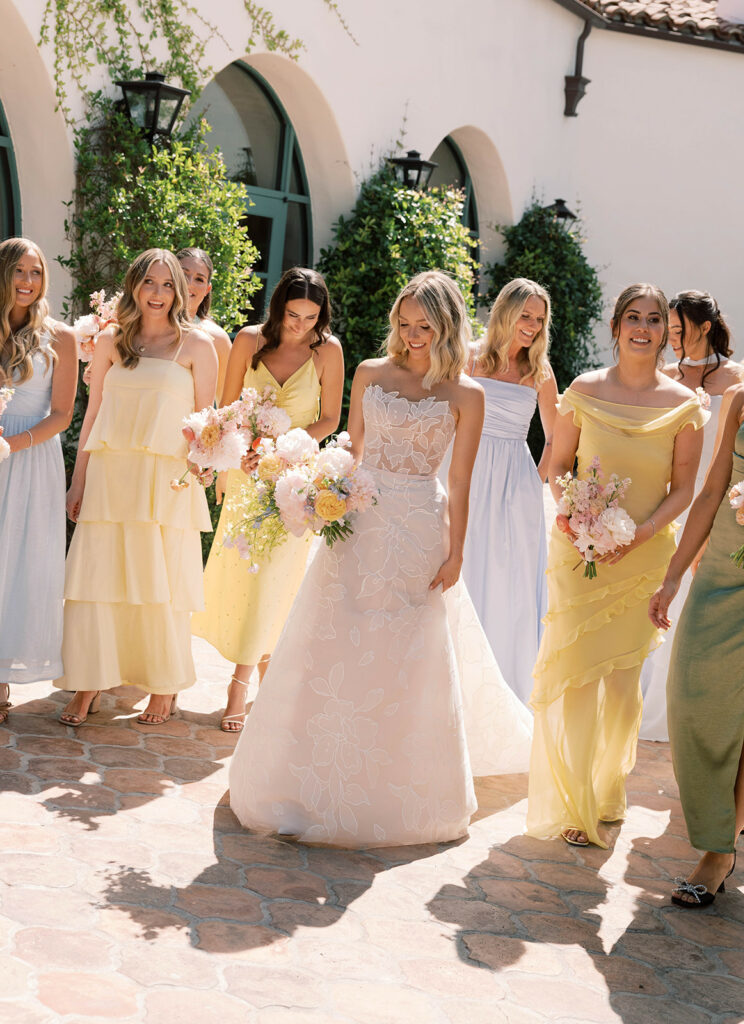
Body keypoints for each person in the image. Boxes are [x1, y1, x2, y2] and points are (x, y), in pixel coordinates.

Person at [229, 270, 534, 847]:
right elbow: (354, 452)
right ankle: (300, 776)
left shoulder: (468, 393)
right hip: (361, 523)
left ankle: (393, 784)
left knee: (404, 653)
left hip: (420, 528)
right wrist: (325, 498)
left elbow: (461, 483)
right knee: (334, 639)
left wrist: (457, 553)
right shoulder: (370, 373)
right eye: (404, 323)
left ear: (446, 327)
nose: (412, 335)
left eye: (424, 326)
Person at [526, 283, 707, 848]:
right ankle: (575, 800)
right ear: (616, 325)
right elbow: (556, 466)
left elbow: (684, 489)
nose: (644, 328)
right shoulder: (582, 389)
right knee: (578, 676)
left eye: (655, 320)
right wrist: (576, 518)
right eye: (634, 316)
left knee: (624, 684)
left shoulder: (684, 404)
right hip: (580, 555)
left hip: (643, 558)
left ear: (666, 332)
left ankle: (606, 791)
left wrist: (644, 534)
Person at [55, 249, 217, 725]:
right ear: (134, 286)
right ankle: (88, 683)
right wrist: (77, 480)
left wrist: (200, 474)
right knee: (98, 579)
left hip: (165, 482)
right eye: (150, 282)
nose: (160, 294)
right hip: (111, 475)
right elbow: (93, 415)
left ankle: (164, 686)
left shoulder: (197, 347)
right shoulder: (109, 341)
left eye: (169, 285)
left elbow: (208, 425)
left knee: (158, 583)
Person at [191, 268, 344, 731]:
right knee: (244, 577)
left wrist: (285, 445)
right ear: (278, 308)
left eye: (311, 317)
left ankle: (239, 685)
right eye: (293, 314)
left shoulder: (328, 351)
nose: (301, 325)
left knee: (276, 580)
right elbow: (227, 406)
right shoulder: (248, 341)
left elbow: (331, 418)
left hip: (292, 481)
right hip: (244, 474)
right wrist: (237, 453)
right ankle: (267, 679)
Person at [650, 381, 744, 906]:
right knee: (690, 693)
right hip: (723, 566)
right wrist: (674, 575)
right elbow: (712, 487)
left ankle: (718, 853)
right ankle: (717, 828)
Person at [640, 291, 741, 740]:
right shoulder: (664, 376)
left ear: (705, 327)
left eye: (679, 331)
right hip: (671, 497)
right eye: (671, 331)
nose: (673, 340)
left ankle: (693, 708)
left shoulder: (738, 380)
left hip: (716, 499)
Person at [463, 278, 557, 703]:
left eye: (539, 319)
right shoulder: (468, 358)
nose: (533, 326)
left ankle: (504, 687)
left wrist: (532, 483)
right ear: (505, 311)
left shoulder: (539, 372)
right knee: (466, 568)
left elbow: (556, 439)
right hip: (467, 471)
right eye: (526, 315)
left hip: (516, 486)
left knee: (510, 579)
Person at [0, 238, 77, 721]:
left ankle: (1, 677)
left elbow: (64, 413)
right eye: (19, 272)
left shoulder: (61, 338)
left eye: (36, 272)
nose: (28, 282)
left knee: (18, 564)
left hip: (29, 459)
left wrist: (11, 446)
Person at [176, 247, 232, 404]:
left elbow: (225, 405)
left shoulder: (217, 339)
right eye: (183, 274)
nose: (189, 283)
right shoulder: (146, 326)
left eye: (199, 279)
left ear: (207, 289)